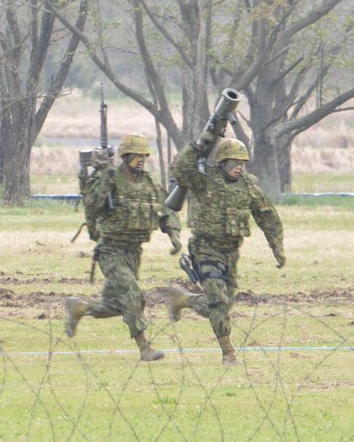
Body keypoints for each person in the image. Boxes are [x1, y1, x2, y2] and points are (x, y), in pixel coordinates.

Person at [166, 135, 285, 365]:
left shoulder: (248, 186)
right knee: (219, 301)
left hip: (231, 253)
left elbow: (267, 215)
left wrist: (276, 246)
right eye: (234, 162)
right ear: (222, 162)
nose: (238, 167)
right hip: (205, 249)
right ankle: (228, 352)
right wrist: (197, 145)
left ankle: (184, 299)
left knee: (223, 303)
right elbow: (179, 169)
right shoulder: (205, 180)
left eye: (242, 163)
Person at [63, 134, 181, 361]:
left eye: (144, 156)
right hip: (111, 250)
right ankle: (144, 347)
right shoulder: (110, 177)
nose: (141, 160)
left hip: (134, 251)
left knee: (118, 304)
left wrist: (174, 234)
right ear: (125, 156)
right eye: (136, 156)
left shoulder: (148, 183)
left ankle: (80, 309)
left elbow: (166, 211)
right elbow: (91, 204)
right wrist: (103, 177)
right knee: (132, 295)